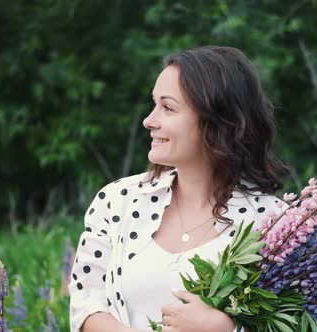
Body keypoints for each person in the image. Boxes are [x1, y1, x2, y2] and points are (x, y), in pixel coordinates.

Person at [68, 46, 289, 332]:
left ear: (217, 122)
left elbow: (298, 321)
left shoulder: (275, 224)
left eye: (168, 108)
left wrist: (225, 328)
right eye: (154, 104)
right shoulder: (117, 201)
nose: (150, 120)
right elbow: (86, 302)